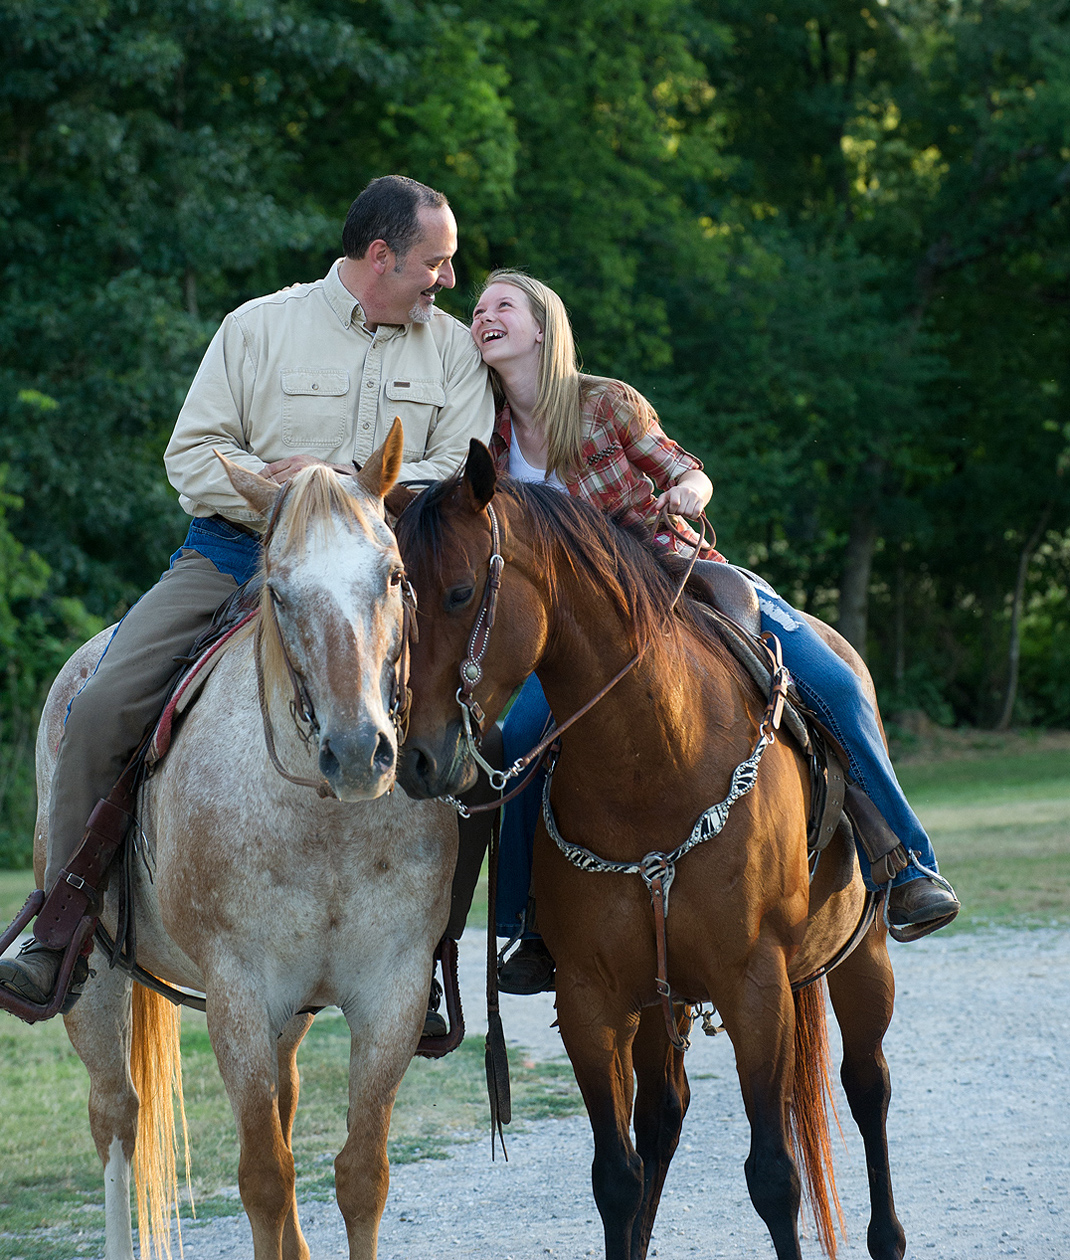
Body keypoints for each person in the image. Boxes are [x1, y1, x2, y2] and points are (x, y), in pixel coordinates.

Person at [0, 175, 495, 1011]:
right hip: (238, 554)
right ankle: (64, 925)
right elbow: (191, 456)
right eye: (435, 263)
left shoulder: (450, 350)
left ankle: (435, 958)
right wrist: (285, 507)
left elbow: (462, 461)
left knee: (486, 737)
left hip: (388, 574)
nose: (448, 280)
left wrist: (335, 485)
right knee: (100, 708)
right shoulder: (258, 327)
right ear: (381, 256)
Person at [468, 269, 959, 993]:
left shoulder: (605, 404)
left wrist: (685, 494)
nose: (484, 315)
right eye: (476, 309)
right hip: (582, 630)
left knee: (830, 681)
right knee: (519, 744)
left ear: (542, 327)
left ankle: (907, 867)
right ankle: (530, 927)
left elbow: (685, 471)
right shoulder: (487, 433)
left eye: (502, 305)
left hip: (674, 573)